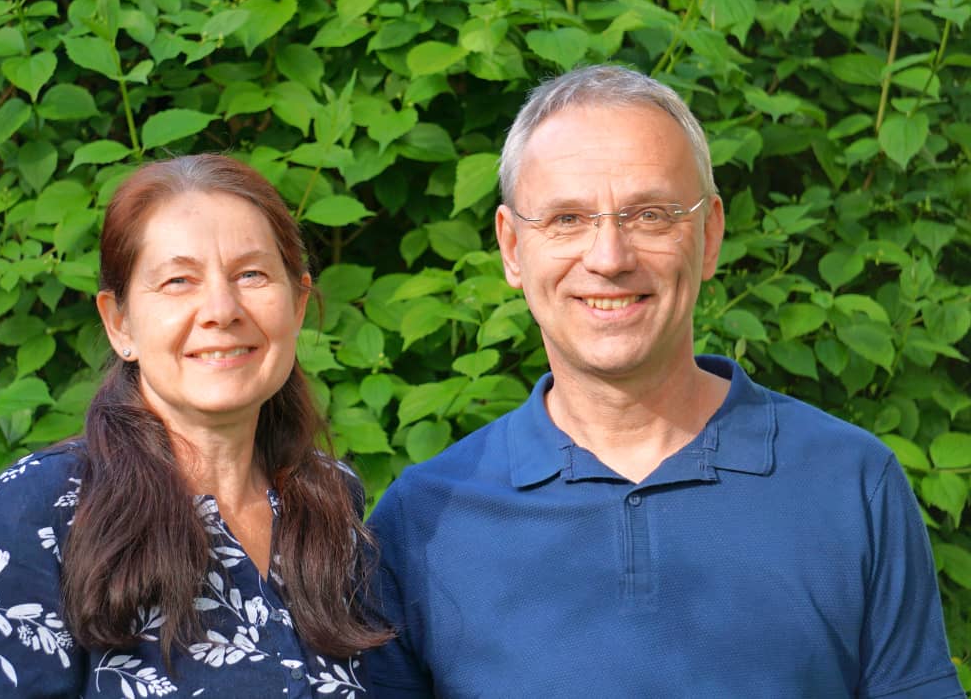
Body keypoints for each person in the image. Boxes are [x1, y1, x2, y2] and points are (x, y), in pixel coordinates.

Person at [365, 65, 963, 697]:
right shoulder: (423, 519)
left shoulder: (852, 483)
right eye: (567, 219)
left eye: (649, 214)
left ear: (709, 236)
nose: (609, 258)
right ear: (513, 248)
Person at [0, 154, 390, 697]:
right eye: (179, 280)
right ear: (119, 321)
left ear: (297, 305)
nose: (221, 309)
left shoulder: (330, 499)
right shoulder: (42, 513)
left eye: (251, 274)